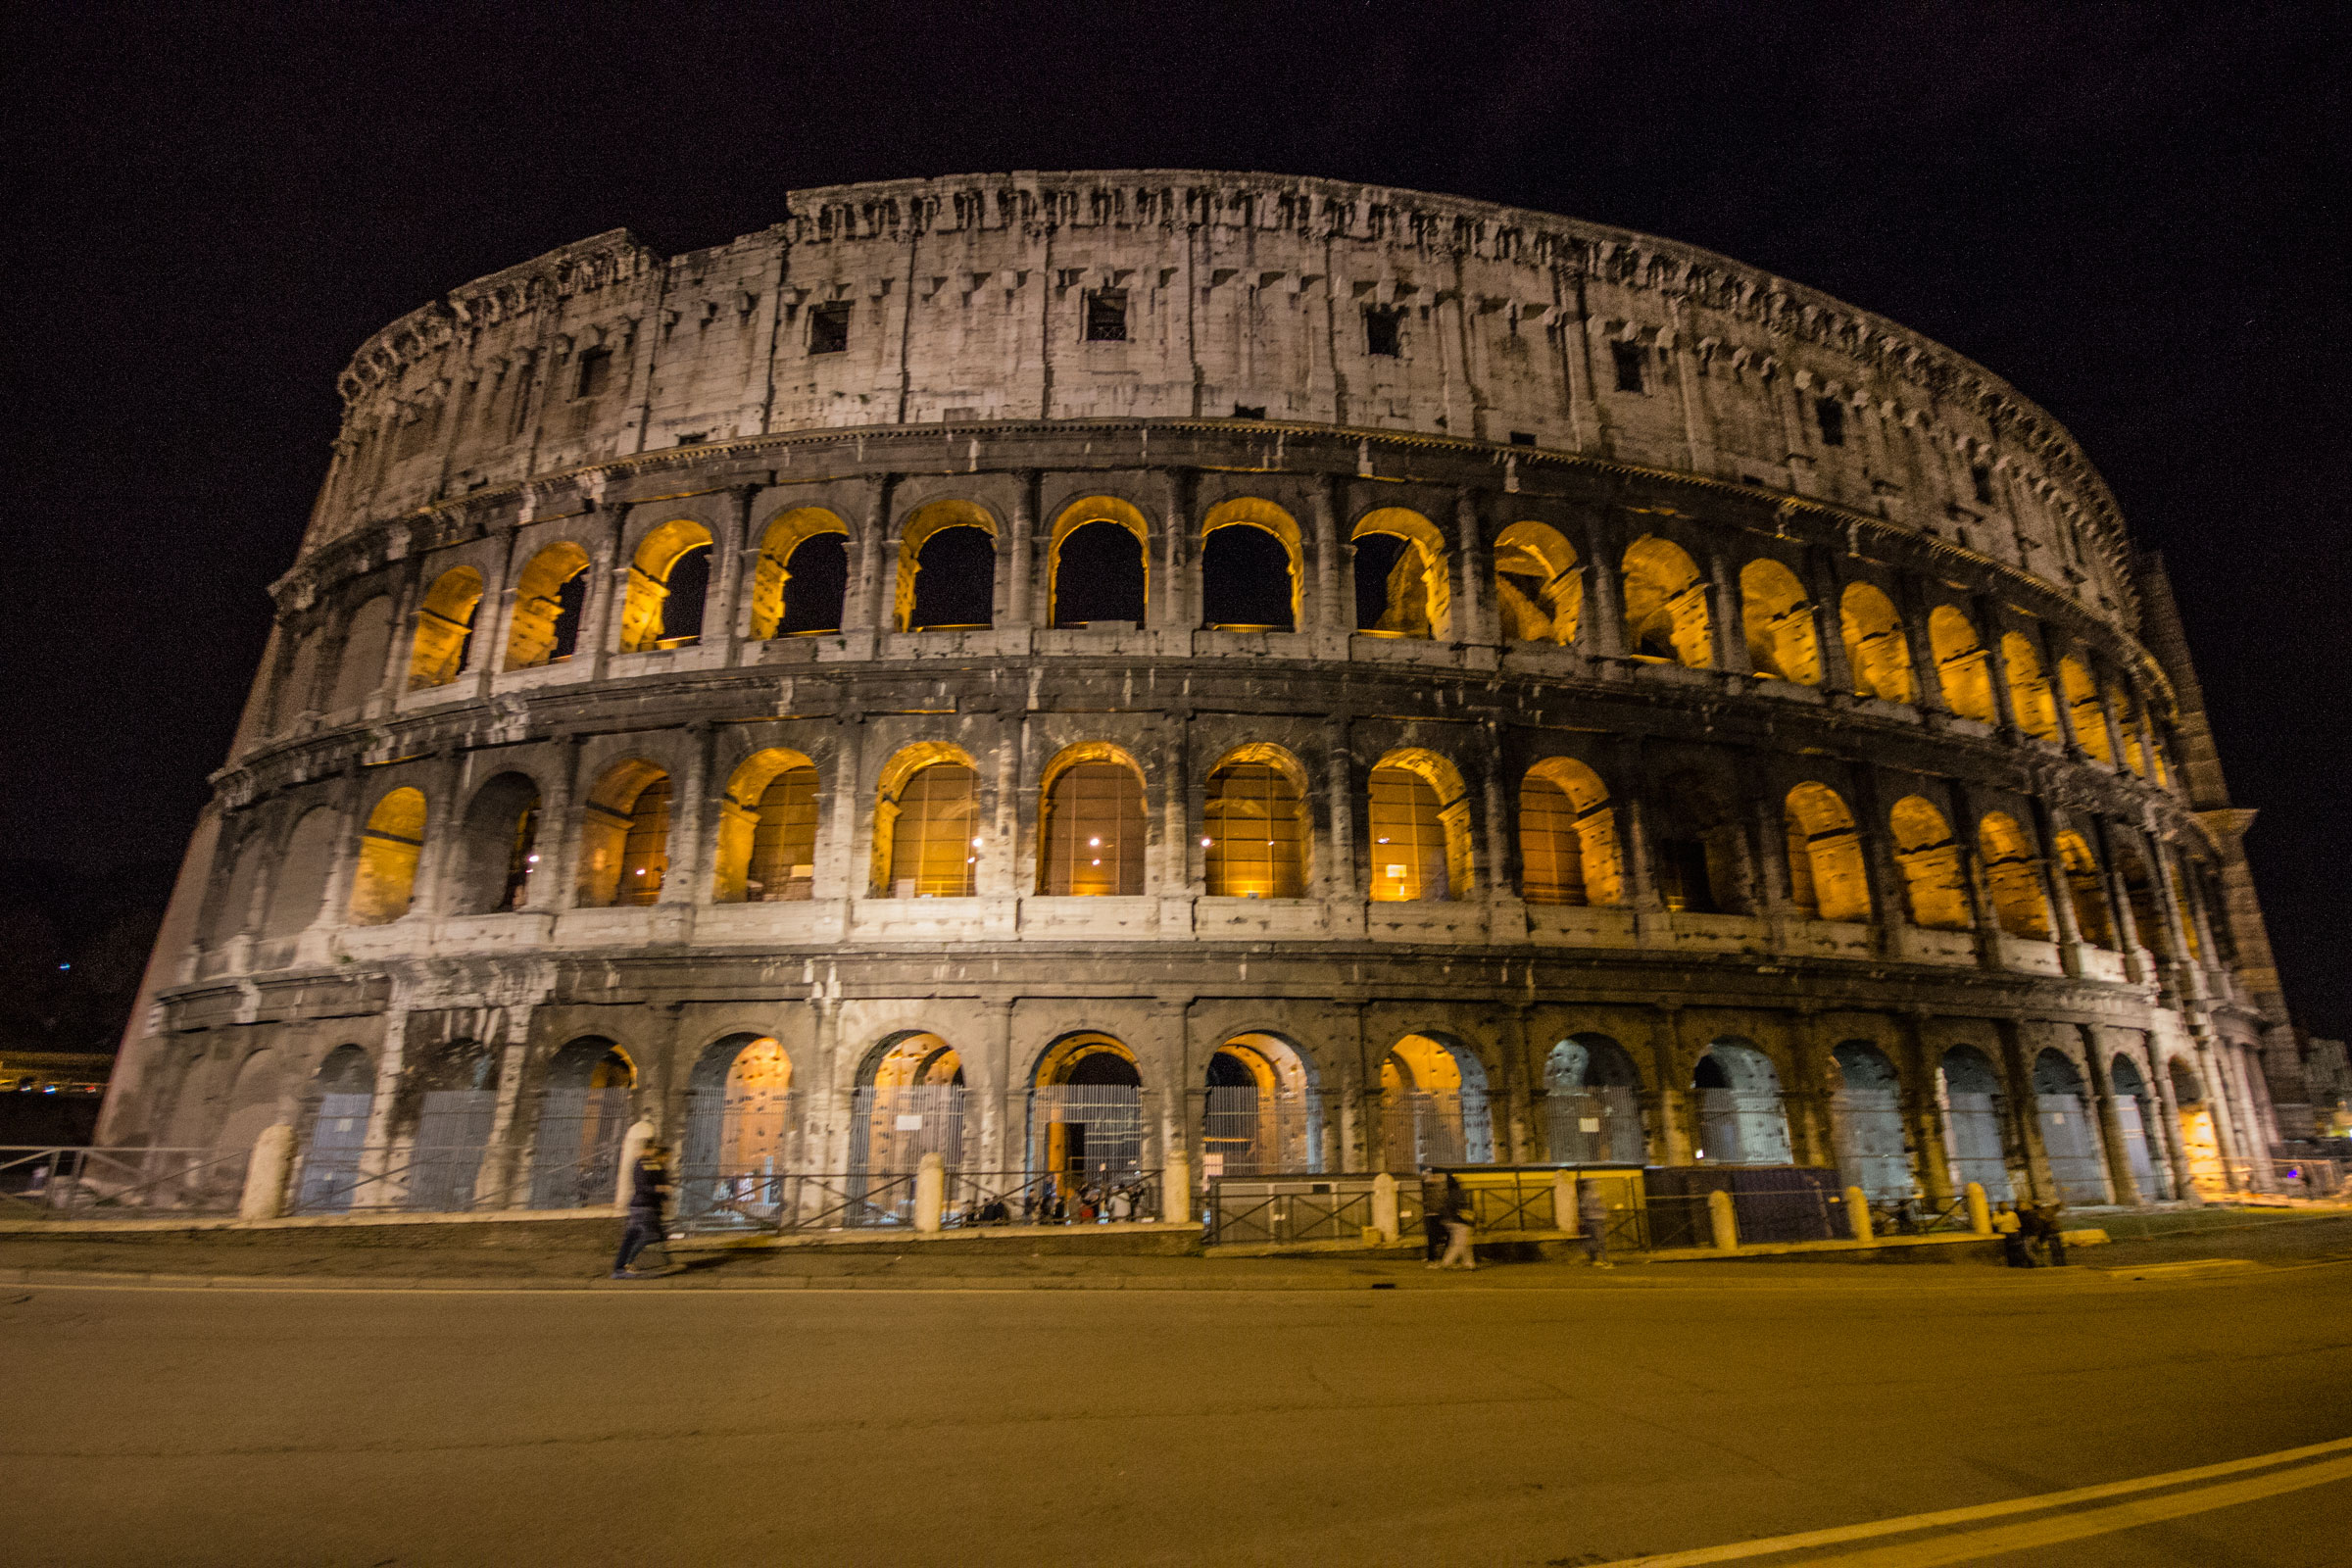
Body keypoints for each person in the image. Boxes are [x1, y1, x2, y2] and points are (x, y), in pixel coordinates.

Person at [612, 1141, 671, 1279]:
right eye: (653, 1149)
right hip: (642, 1206)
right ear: (648, 1149)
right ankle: (623, 1266)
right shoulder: (642, 1164)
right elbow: (642, 1186)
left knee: (639, 1236)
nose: (655, 1152)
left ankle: (621, 1266)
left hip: (646, 1206)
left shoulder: (652, 1163)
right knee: (647, 1236)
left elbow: (658, 1181)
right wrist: (659, 1189)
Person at [1434, 1171, 1476, 1270]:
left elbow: (1445, 1208)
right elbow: (1462, 1207)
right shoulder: (1459, 1193)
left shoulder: (1448, 1194)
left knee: (1463, 1243)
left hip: (1449, 1221)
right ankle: (1447, 1262)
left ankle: (1469, 1263)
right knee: (1460, 1243)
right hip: (1459, 1221)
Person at [1577, 1179, 1614, 1269]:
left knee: (1592, 1240)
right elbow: (1602, 1207)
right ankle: (1605, 1261)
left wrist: (1582, 1218)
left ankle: (1594, 1260)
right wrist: (1606, 1216)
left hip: (1588, 1220)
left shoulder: (1584, 1195)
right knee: (1601, 1240)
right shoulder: (1597, 1195)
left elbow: (1582, 1207)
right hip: (1597, 1219)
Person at [1418, 1167, 1450, 1261]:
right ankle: (1439, 1256)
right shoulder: (1438, 1185)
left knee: (1433, 1237)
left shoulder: (1428, 1185)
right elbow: (1442, 1199)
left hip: (1432, 1214)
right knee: (1439, 1235)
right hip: (1436, 1214)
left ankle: (1432, 1256)